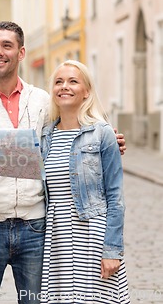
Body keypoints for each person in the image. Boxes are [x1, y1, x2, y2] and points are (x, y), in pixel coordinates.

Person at [0, 21, 126, 304]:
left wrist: (107, 141)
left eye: (7, 45)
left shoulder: (42, 100)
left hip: (36, 227)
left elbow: (73, 135)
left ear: (21, 52)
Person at [39, 60, 130, 303]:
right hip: (56, 239)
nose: (64, 87)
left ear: (86, 91)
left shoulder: (103, 133)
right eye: (58, 82)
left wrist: (111, 250)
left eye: (72, 81)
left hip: (92, 236)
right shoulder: (44, 136)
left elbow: (116, 197)